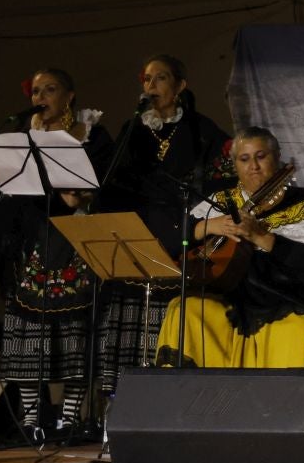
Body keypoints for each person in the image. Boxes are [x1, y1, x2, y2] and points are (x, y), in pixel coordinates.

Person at [93, 54, 231, 394]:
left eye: (161, 78)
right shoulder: (132, 130)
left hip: (179, 232)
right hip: (138, 233)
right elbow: (113, 183)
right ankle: (118, 404)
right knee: (127, 325)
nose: (151, 86)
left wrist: (192, 221)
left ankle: (164, 398)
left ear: (180, 86)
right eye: (147, 79)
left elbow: (222, 181)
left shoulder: (202, 129)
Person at [156, 127, 304, 372]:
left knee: (303, 330)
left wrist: (260, 235)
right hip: (226, 293)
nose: (253, 166)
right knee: (184, 311)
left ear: (276, 158)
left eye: (261, 156)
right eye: (244, 159)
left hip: (282, 294)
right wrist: (208, 226)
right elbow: (172, 238)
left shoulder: (302, 203)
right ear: (235, 165)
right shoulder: (220, 201)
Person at [0, 67, 112, 441]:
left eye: (51, 89)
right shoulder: (22, 136)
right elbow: (13, 188)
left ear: (69, 95)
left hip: (76, 243)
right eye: (36, 91)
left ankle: (73, 420)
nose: (41, 96)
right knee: (31, 337)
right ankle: (31, 423)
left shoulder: (93, 133)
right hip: (33, 241)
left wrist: (82, 196)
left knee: (76, 337)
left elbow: (107, 179)